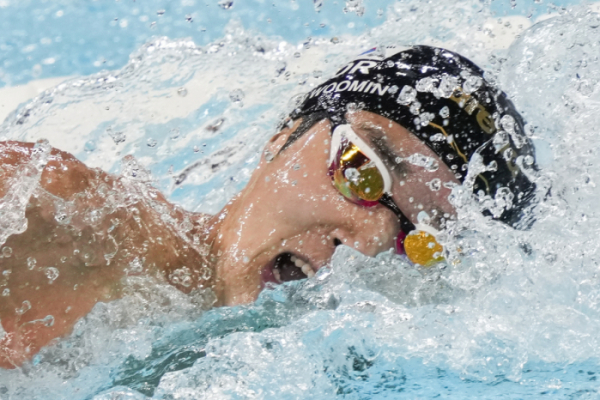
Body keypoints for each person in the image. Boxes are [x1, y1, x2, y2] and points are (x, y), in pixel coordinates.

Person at [0, 45, 537, 368]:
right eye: (360, 168)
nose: (370, 241)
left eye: (414, 240)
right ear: (283, 139)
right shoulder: (49, 215)